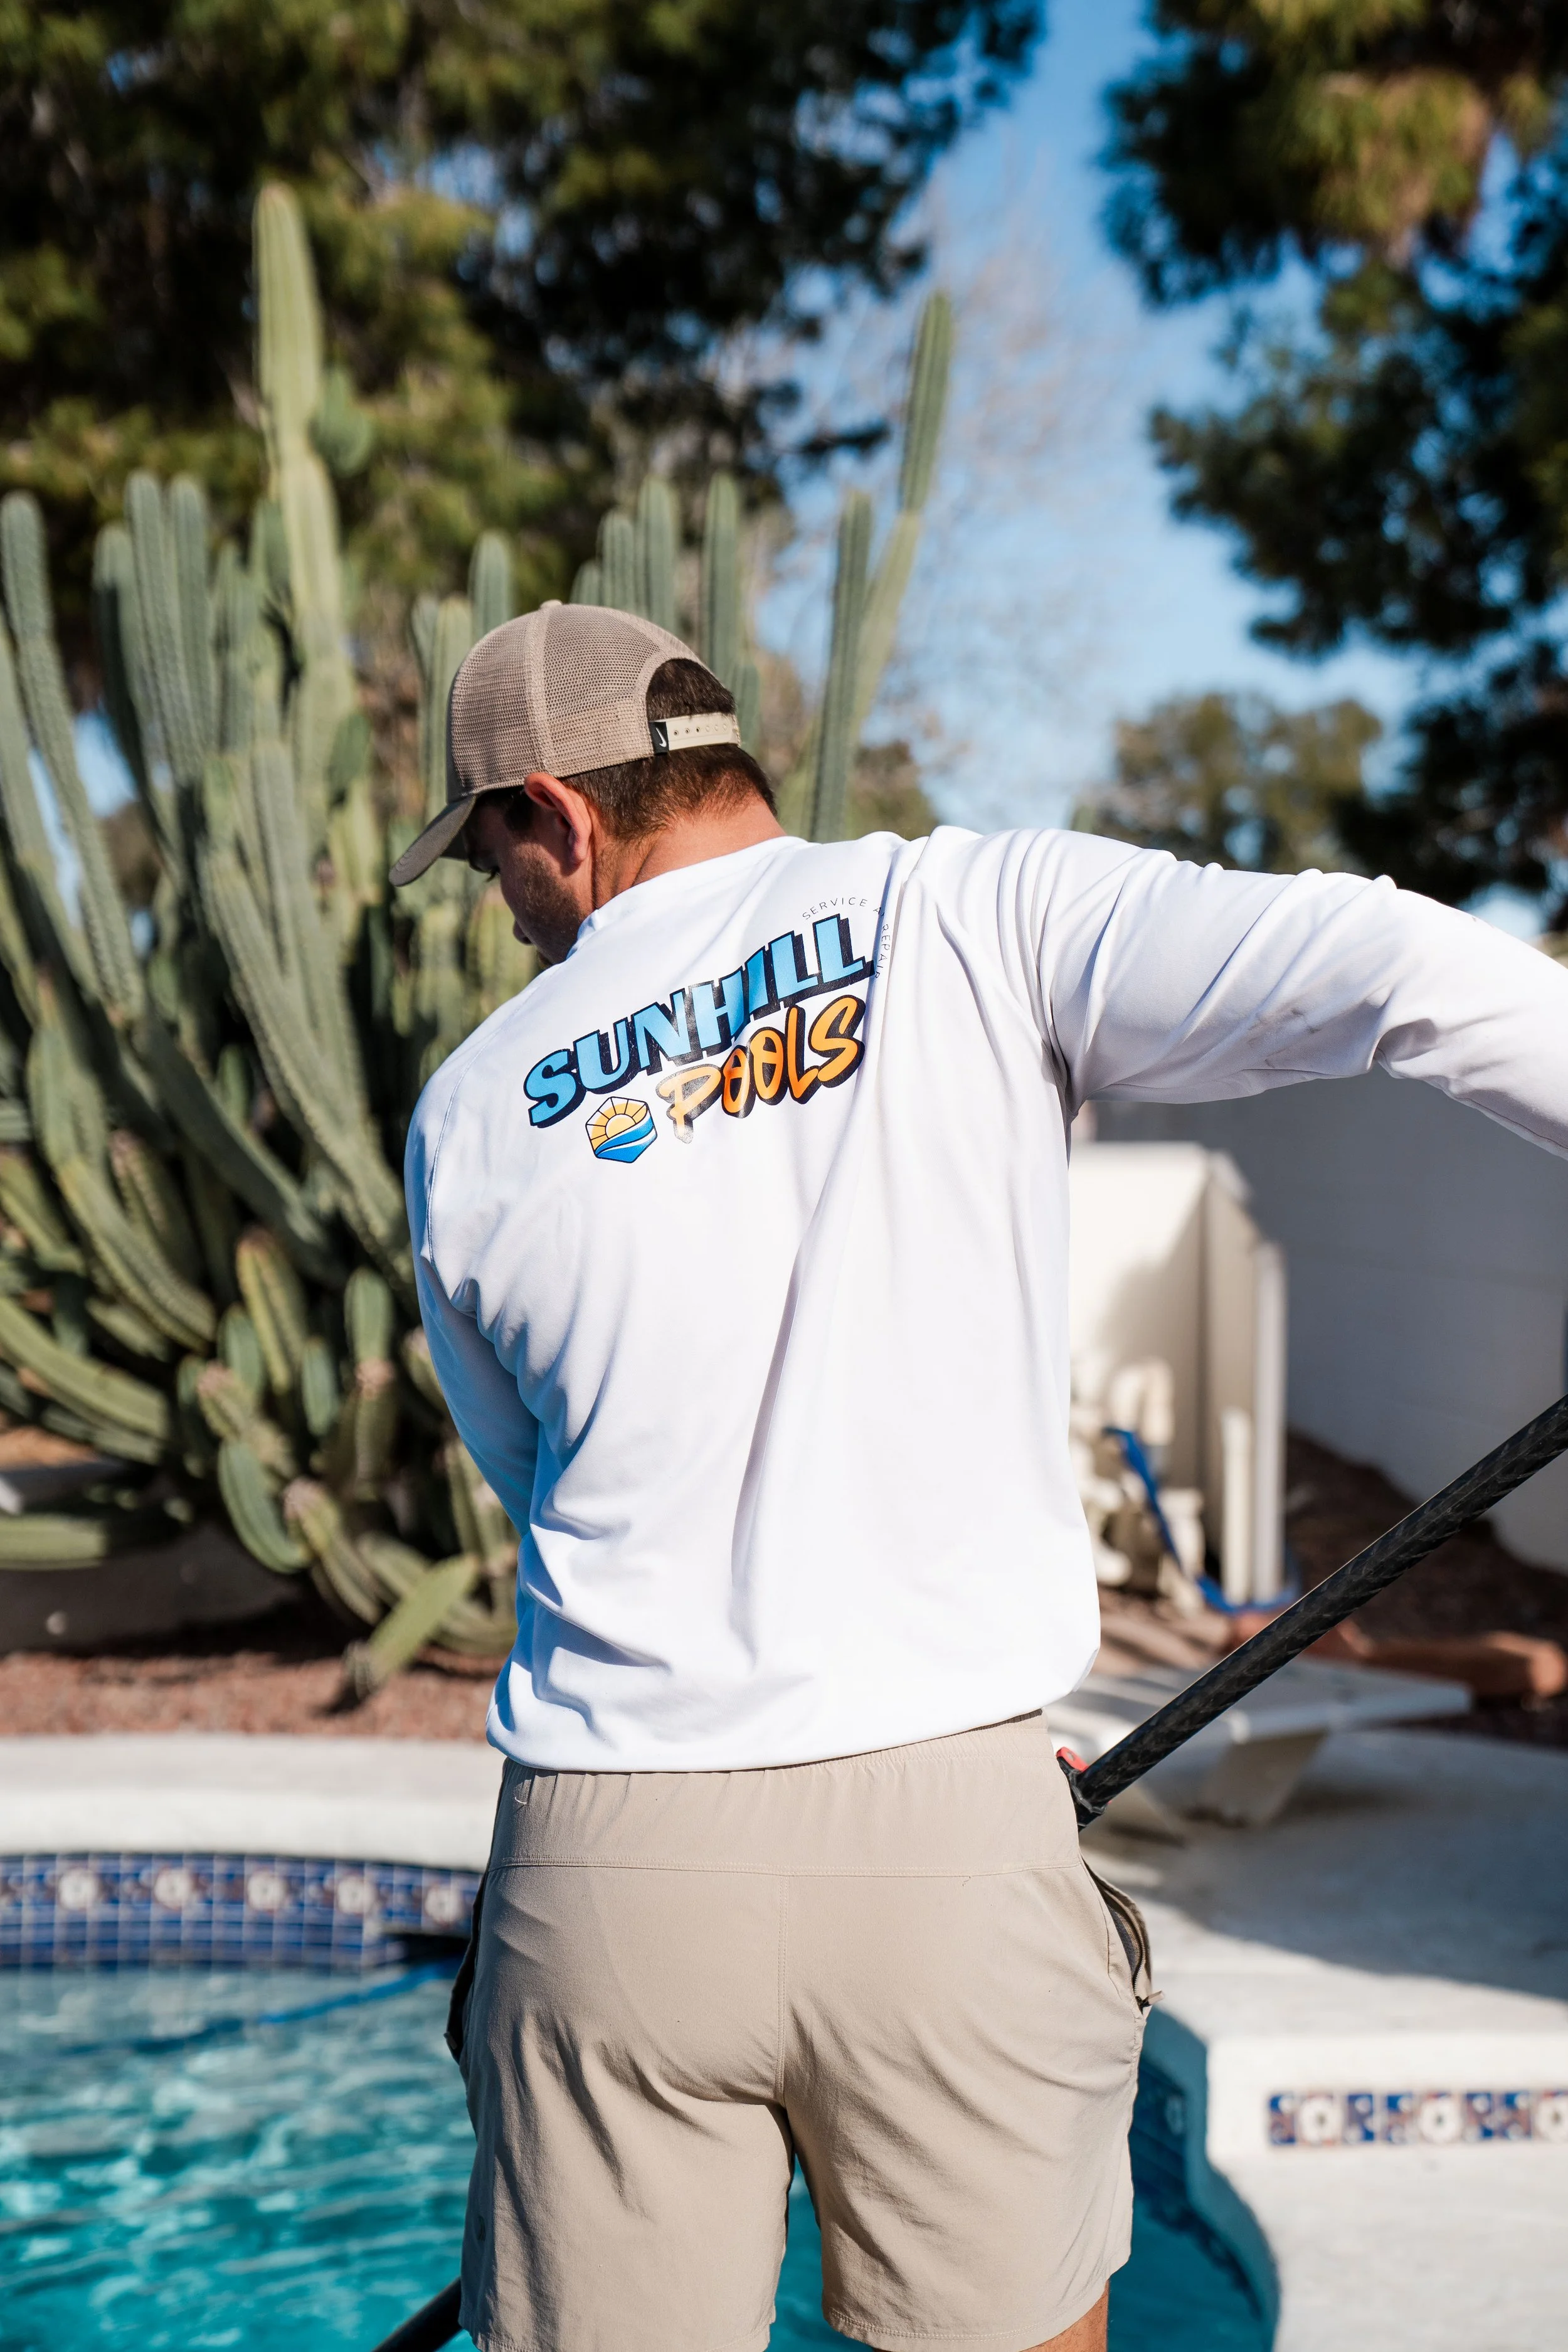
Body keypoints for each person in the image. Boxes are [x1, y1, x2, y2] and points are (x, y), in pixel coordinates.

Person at [395, 600, 1568, 2352]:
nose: (510, 912)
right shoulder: (971, 913)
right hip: (943, 1839)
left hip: (610, 1857)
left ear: (556, 816)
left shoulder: (476, 1101)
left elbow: (537, 1476)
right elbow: (1399, 969)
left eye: (497, 864)